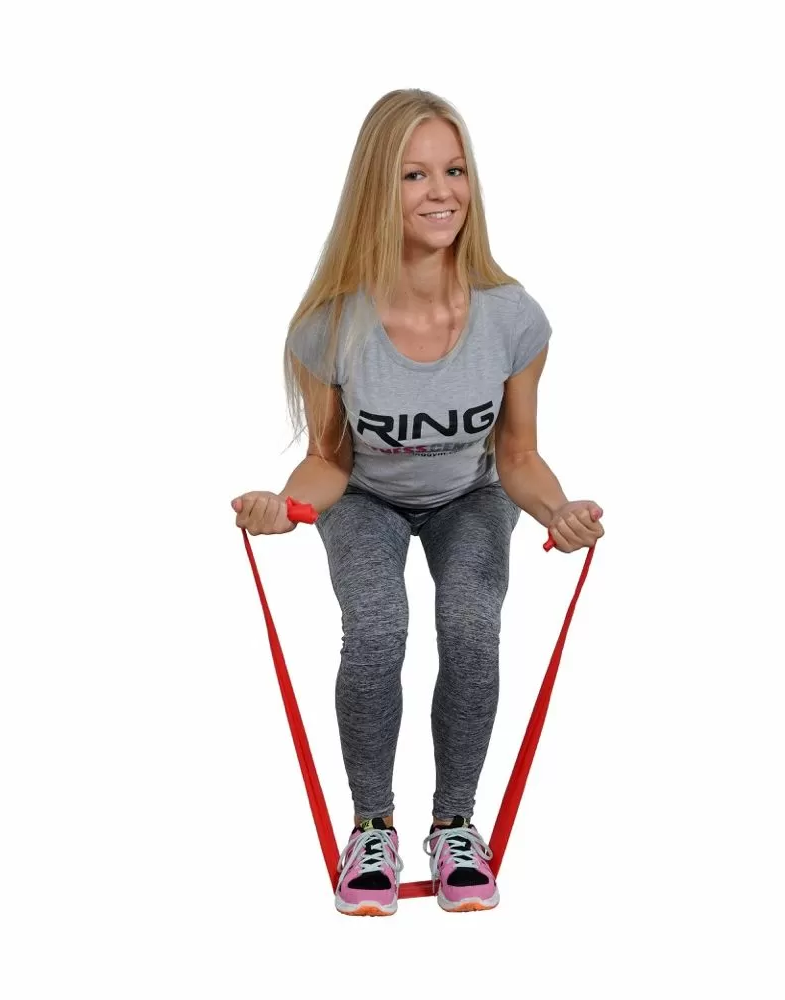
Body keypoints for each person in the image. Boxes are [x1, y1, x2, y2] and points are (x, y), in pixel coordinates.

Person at [231, 89, 604, 916]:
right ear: (378, 189)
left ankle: (454, 827)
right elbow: (329, 459)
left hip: (471, 494)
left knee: (469, 622)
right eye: (414, 174)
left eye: (454, 170)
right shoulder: (329, 326)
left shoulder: (512, 318)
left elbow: (518, 455)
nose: (442, 192)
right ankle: (372, 829)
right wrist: (283, 507)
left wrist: (558, 512)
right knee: (376, 627)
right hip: (364, 496)